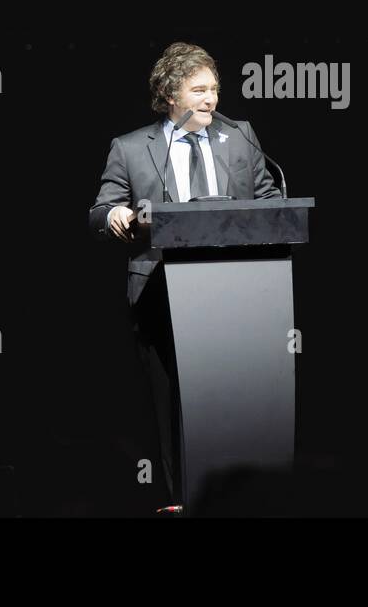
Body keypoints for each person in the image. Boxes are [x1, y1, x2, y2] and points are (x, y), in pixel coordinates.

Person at [89, 42, 281, 513]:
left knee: (234, 397)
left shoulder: (240, 136)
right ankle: (179, 501)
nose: (210, 99)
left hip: (236, 289)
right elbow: (100, 209)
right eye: (198, 89)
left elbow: (270, 197)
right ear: (170, 94)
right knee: (172, 402)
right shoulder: (132, 148)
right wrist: (115, 212)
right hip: (160, 291)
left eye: (214, 89)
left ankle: (241, 497)